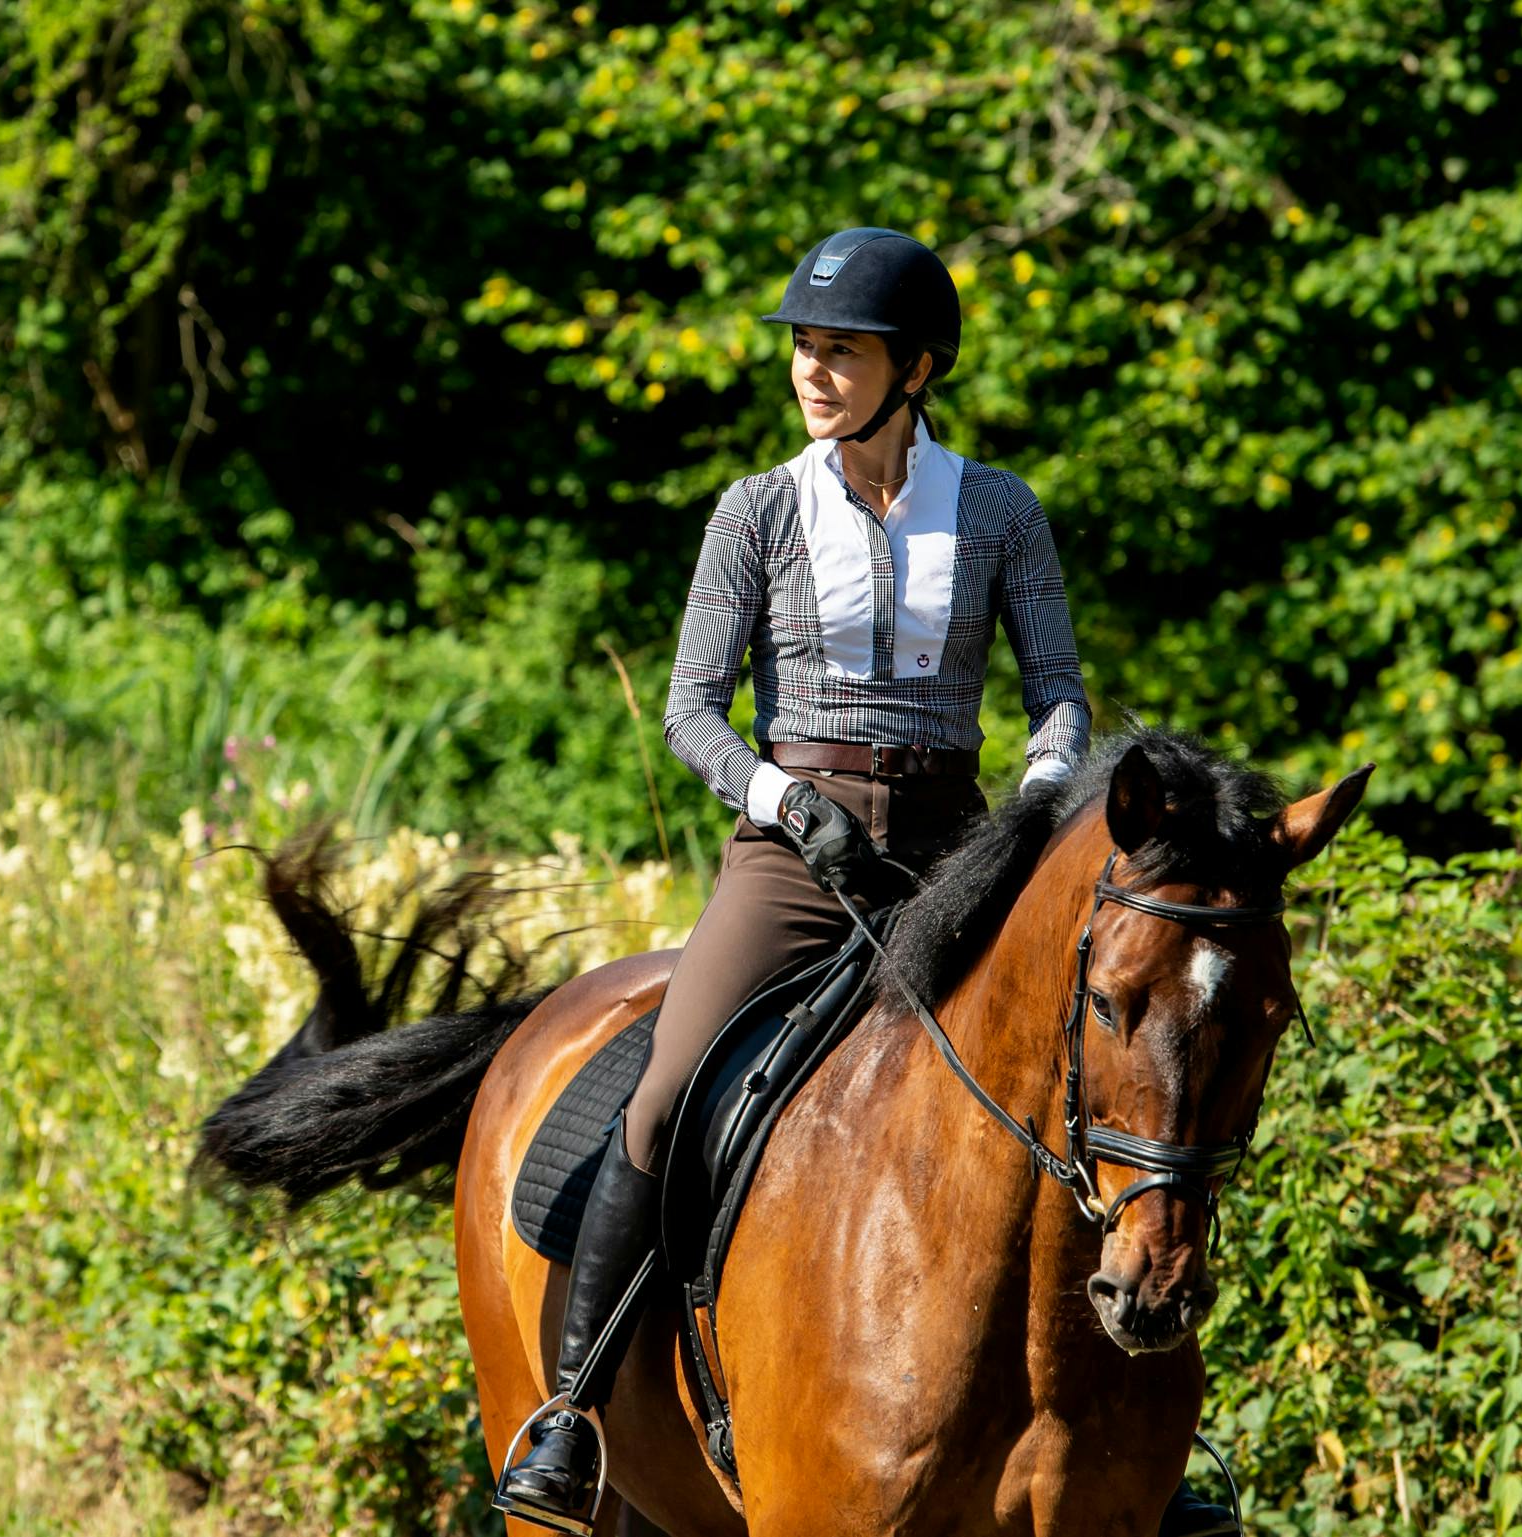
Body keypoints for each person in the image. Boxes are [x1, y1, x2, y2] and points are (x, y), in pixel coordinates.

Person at [494, 229, 1240, 1537]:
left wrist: (1039, 795)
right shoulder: (758, 510)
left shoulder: (999, 509)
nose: (813, 369)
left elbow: (1056, 691)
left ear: (917, 367)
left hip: (959, 852)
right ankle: (570, 1415)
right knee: (666, 1092)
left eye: (840, 349)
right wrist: (786, 803)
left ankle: (1166, 1456)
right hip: (794, 853)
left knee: (1087, 1089)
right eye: (804, 347)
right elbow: (689, 710)